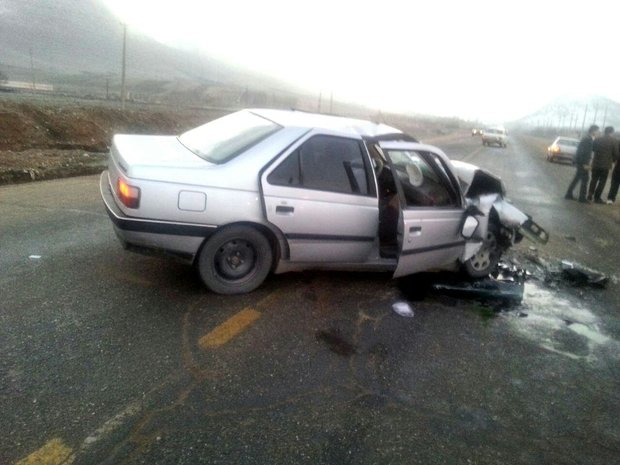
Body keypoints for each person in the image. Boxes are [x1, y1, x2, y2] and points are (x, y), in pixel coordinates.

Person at [565, 125, 599, 202]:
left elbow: (581, 151)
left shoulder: (587, 138)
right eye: (597, 131)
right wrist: (585, 163)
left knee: (577, 178)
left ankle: (569, 194)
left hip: (581, 162)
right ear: (593, 131)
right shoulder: (588, 139)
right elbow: (583, 152)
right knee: (585, 179)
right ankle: (582, 198)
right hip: (583, 163)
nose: (598, 132)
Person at [588, 126, 618, 203]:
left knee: (594, 179)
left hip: (596, 163)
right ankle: (597, 197)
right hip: (606, 165)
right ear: (611, 132)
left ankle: (590, 194)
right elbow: (616, 154)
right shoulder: (614, 141)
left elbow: (593, 149)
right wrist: (613, 160)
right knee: (602, 181)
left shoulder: (597, 139)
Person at [607, 138, 620, 204]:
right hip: (618, 168)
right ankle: (610, 198)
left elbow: (615, 155)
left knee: (614, 184)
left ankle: (610, 199)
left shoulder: (618, 142)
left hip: (618, 168)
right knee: (615, 184)